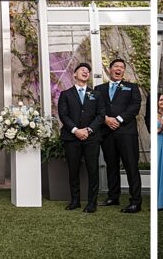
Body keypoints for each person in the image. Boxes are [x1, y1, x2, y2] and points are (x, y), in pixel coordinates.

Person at [94, 58, 143, 213]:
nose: (119, 69)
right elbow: (96, 108)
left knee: (131, 166)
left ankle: (135, 201)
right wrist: (106, 119)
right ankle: (113, 196)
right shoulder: (99, 88)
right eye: (116, 66)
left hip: (126, 132)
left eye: (122, 67)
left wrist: (119, 119)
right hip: (107, 132)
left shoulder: (132, 87)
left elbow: (134, 106)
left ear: (124, 71)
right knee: (111, 165)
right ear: (110, 69)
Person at [57, 63, 104, 213]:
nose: (86, 72)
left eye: (88, 71)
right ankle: (75, 201)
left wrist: (88, 130)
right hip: (72, 138)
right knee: (73, 170)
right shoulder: (65, 94)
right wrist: (76, 130)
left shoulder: (96, 94)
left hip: (91, 138)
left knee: (93, 170)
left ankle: (92, 203)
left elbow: (101, 115)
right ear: (74, 74)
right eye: (82, 70)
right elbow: (63, 115)